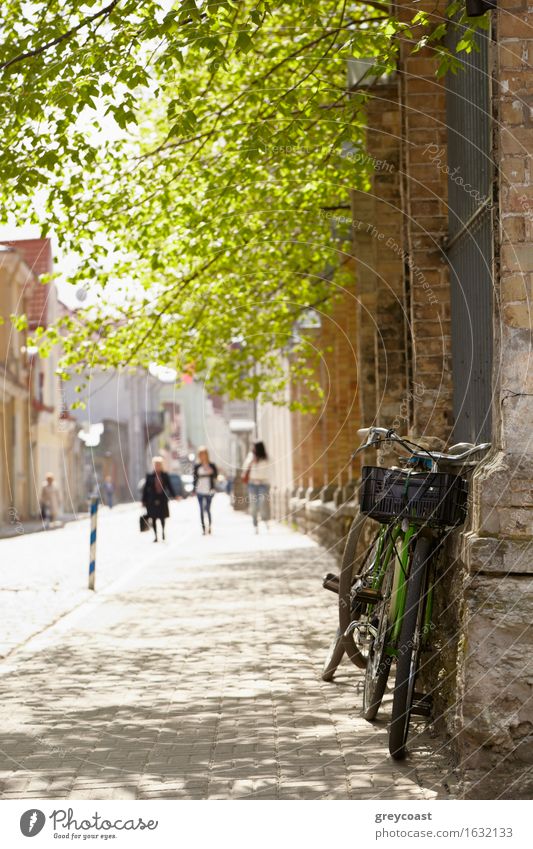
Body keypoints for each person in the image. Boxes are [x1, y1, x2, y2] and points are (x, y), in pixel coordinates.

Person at [141, 456, 178, 542]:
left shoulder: (165, 475)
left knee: (162, 518)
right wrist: (143, 500)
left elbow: (169, 486)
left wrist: (175, 495)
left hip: (162, 499)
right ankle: (156, 536)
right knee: (153, 518)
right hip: (152, 500)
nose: (157, 466)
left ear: (161, 465)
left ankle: (163, 533)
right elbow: (146, 489)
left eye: (159, 464)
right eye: (156, 464)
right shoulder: (150, 476)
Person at [242, 440, 271, 533]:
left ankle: (265, 520)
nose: (253, 448)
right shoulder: (250, 456)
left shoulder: (266, 457)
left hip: (263, 483)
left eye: (254, 447)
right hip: (252, 484)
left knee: (262, 503)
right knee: (254, 505)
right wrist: (251, 462)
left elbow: (270, 470)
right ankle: (255, 525)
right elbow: (245, 468)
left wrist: (272, 483)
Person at [193, 446, 218, 534]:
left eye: (204, 454)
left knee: (208, 509)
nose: (202, 456)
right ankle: (203, 528)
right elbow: (194, 478)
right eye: (201, 455)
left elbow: (215, 476)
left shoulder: (212, 465)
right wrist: (193, 490)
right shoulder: (197, 466)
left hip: (209, 490)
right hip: (199, 490)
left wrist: (209, 469)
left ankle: (210, 526)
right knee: (201, 510)